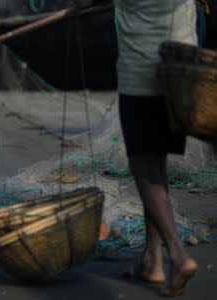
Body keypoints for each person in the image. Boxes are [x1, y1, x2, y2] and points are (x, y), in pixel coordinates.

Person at [77, 0, 198, 296]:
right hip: (183, 67)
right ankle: (152, 261)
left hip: (143, 74)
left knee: (143, 167)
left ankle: (178, 255)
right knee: (156, 163)